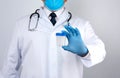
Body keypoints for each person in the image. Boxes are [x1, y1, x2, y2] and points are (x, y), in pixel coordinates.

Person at [0, 0, 106, 78]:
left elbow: (101, 51)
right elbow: (9, 67)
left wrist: (85, 51)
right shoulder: (22, 25)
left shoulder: (81, 24)